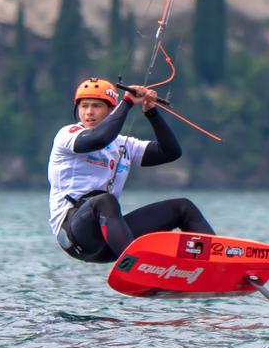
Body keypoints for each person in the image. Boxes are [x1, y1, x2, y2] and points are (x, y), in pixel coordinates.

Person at [48, 77, 215, 262]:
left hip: (110, 242)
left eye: (96, 106)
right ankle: (136, 265)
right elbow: (98, 139)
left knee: (183, 207)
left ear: (111, 111)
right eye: (84, 106)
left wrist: (152, 113)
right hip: (74, 233)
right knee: (105, 201)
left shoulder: (124, 145)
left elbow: (170, 152)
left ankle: (215, 261)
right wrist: (127, 102)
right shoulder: (67, 134)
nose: (88, 112)